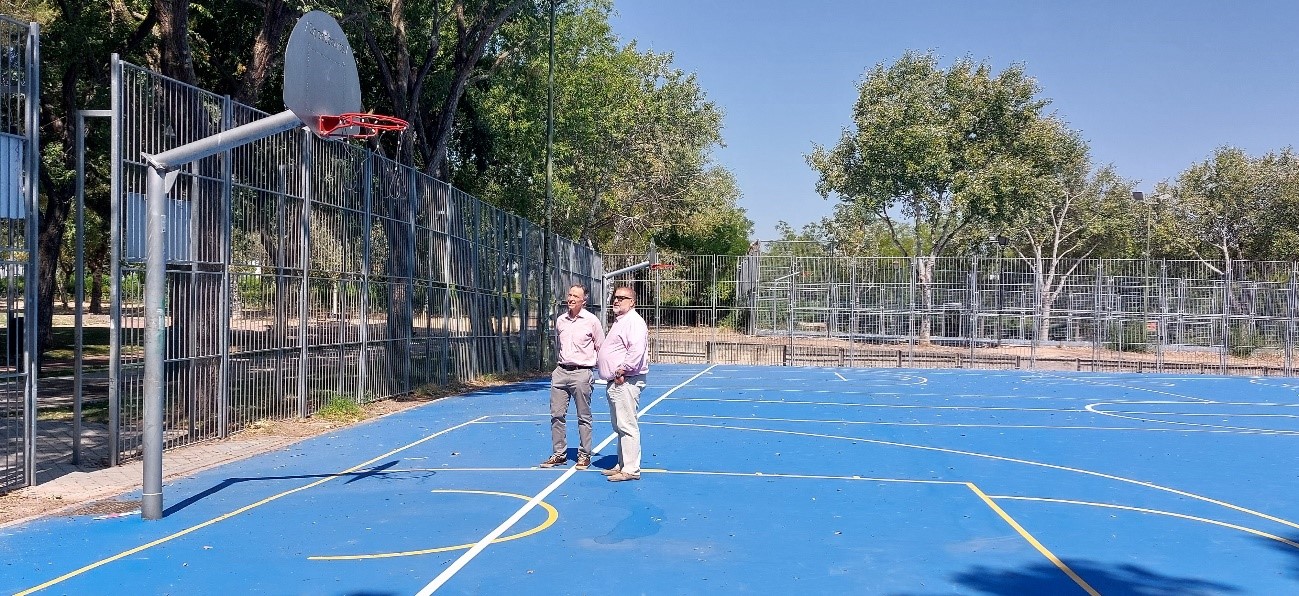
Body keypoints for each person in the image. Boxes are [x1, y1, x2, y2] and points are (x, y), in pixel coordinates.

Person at [540, 284, 604, 470]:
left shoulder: (592, 321)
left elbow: (601, 347)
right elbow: (558, 344)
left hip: (582, 372)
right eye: (569, 294)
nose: (571, 298)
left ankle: (584, 454)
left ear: (584, 300)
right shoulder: (560, 321)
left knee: (583, 416)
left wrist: (602, 372)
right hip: (560, 372)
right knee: (556, 415)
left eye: (576, 295)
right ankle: (559, 454)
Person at [596, 285, 649, 482]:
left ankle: (631, 469)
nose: (616, 301)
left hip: (625, 380)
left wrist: (623, 369)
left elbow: (636, 349)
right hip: (616, 381)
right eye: (614, 298)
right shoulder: (621, 321)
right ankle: (622, 463)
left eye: (621, 298)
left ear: (632, 302)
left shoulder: (633, 322)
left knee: (627, 425)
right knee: (620, 425)